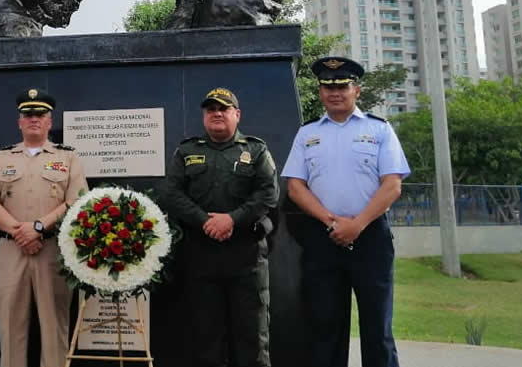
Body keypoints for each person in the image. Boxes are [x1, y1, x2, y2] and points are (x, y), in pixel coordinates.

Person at [282, 56, 411, 367]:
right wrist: (331, 222)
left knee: (377, 328)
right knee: (325, 327)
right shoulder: (307, 134)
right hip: (323, 239)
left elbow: (392, 185)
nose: (334, 92)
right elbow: (295, 187)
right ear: (320, 92)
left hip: (370, 240)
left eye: (342, 85)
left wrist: (357, 224)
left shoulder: (379, 130)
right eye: (327, 86)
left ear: (357, 90)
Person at [161, 86, 278, 367]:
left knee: (252, 338)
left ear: (236, 114)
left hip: (246, 257)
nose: (217, 113)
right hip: (201, 258)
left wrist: (231, 219)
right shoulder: (187, 151)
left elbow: (268, 194)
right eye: (211, 109)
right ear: (204, 116)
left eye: (223, 109)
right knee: (205, 339)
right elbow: (171, 194)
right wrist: (205, 222)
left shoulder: (256, 150)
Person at [0, 88, 88, 367]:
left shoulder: (68, 157)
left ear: (50, 121)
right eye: (28, 115)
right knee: (11, 326)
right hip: (12, 250)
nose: (34, 119)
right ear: (19, 122)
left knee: (54, 325)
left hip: (51, 250)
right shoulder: (3, 157)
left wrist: (38, 227)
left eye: (40, 114)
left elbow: (76, 201)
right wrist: (20, 232)